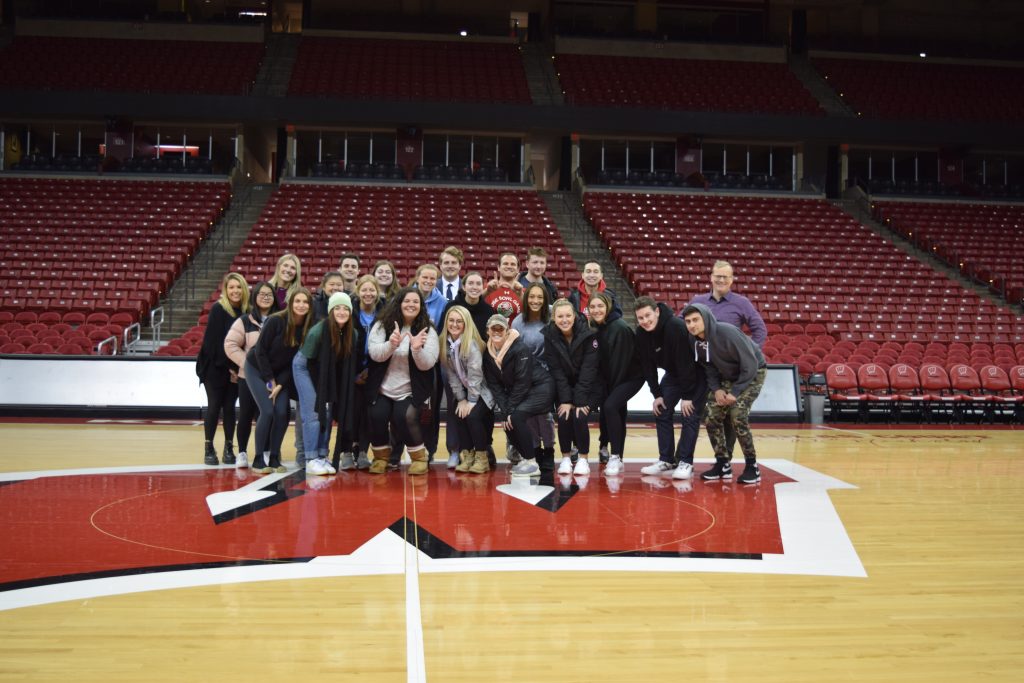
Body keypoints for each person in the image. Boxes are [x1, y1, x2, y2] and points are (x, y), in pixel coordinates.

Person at [686, 260, 768, 463]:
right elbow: (683, 324)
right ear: (711, 277)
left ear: (731, 280)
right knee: (710, 413)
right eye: (717, 275)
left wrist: (748, 352)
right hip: (709, 365)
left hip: (738, 367)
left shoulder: (741, 303)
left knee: (734, 414)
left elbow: (760, 330)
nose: (721, 279)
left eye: (725, 276)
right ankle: (712, 459)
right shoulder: (698, 301)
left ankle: (728, 457)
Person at [681, 302, 768, 485]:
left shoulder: (727, 332)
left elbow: (750, 364)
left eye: (695, 320)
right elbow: (708, 366)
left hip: (753, 373)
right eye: (688, 321)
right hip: (726, 377)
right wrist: (717, 389)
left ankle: (752, 466)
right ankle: (722, 463)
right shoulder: (693, 339)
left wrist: (735, 392)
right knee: (711, 416)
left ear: (705, 318)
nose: (691, 325)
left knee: (737, 415)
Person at [365, 286, 439, 475]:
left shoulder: (428, 329)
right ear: (399, 303)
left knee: (404, 417)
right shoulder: (382, 324)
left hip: (411, 389)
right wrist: (391, 345)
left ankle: (419, 457)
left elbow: (428, 363)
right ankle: (381, 457)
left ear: (421, 306)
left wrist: (416, 349)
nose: (411, 304)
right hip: (382, 387)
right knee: (376, 415)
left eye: (416, 301)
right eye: (407, 301)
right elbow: (374, 354)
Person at [633, 296, 707, 481]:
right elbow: (647, 367)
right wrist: (657, 394)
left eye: (648, 315)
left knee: (689, 414)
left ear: (657, 312)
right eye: (640, 318)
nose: (645, 321)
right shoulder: (641, 333)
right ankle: (666, 459)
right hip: (673, 374)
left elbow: (686, 363)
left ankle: (685, 462)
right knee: (662, 410)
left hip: (696, 373)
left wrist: (688, 395)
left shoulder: (675, 326)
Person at [293, 292, 363, 475]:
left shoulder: (352, 333)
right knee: (315, 413)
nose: (341, 311)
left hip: (326, 373)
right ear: (331, 311)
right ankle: (310, 458)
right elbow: (306, 362)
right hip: (305, 369)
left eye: (345, 308)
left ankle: (322, 456)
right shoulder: (317, 331)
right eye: (337, 308)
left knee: (328, 411)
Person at [245, 287, 313, 474]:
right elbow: (260, 351)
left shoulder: (307, 329)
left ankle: (274, 457)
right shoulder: (276, 320)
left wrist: (280, 383)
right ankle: (259, 459)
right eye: (297, 301)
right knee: (267, 411)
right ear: (290, 303)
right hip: (257, 369)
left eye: (305, 302)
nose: (301, 305)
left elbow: (294, 363)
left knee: (283, 413)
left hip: (281, 374)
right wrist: (270, 381)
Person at [481, 313, 556, 477]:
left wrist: (511, 409)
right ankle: (526, 457)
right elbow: (495, 385)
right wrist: (506, 410)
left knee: (515, 418)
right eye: (493, 328)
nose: (497, 331)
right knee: (507, 421)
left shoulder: (519, 348)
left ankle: (532, 462)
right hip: (523, 391)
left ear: (507, 331)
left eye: (501, 328)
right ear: (488, 331)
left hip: (541, 387)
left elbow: (523, 381)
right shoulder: (488, 354)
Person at [440, 270, 495, 468]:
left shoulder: (470, 344)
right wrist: (461, 399)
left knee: (471, 414)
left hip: (483, 390)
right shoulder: (446, 344)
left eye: (459, 322)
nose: (454, 324)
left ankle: (482, 457)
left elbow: (476, 375)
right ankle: (467, 454)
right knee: (458, 411)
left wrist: (470, 400)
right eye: (451, 321)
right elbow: (452, 375)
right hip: (468, 392)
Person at [223, 280, 280, 470]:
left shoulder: (280, 319)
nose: (265, 297)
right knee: (246, 414)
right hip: (247, 378)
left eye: (269, 294)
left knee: (268, 415)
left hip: (272, 378)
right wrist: (248, 365)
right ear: (255, 298)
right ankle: (243, 453)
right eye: (261, 294)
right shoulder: (245, 321)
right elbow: (230, 345)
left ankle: (264, 451)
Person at [543, 298, 600, 476]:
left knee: (579, 416)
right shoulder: (549, 335)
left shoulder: (589, 333)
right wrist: (566, 400)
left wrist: (579, 400)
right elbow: (556, 370)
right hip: (565, 387)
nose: (565, 319)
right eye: (560, 316)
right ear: (554, 318)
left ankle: (583, 458)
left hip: (589, 386)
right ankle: (566, 458)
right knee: (564, 415)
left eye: (568, 315)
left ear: (575, 316)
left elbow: (589, 369)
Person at [588, 292, 643, 476]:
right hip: (614, 377)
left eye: (600, 306)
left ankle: (616, 457)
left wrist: (609, 392)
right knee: (612, 408)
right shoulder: (598, 327)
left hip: (631, 377)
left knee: (611, 406)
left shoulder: (619, 327)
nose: (596, 310)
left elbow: (621, 364)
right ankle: (608, 448)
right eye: (593, 307)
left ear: (608, 307)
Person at [196, 272, 248, 466]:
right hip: (214, 366)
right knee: (214, 406)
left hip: (235, 367)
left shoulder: (246, 311)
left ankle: (228, 447)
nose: (235, 291)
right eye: (231, 287)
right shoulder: (218, 309)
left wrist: (236, 368)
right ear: (225, 291)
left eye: (238, 287)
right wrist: (230, 368)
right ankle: (209, 447)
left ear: (244, 289)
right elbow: (212, 344)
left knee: (229, 408)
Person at [511, 282, 556, 465]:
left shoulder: (552, 315)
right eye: (531, 296)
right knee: (529, 416)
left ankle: (550, 450)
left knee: (545, 415)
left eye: (539, 297)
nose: (535, 300)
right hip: (525, 374)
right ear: (525, 298)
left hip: (548, 374)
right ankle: (536, 449)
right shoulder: (518, 321)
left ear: (545, 299)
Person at [353, 274, 384, 469]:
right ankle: (349, 450)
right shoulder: (349, 310)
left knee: (369, 414)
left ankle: (364, 451)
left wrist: (370, 371)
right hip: (353, 371)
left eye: (372, 290)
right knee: (353, 412)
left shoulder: (383, 313)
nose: (368, 293)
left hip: (374, 370)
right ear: (358, 291)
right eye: (364, 289)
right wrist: (355, 373)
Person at [485, 252, 524, 320]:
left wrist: (521, 296)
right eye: (505, 263)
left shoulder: (523, 291)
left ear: (518, 269)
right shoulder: (487, 288)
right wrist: (486, 292)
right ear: (498, 267)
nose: (509, 266)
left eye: (513, 264)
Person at [412, 263, 446, 328]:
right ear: (417, 279)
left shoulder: (442, 302)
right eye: (425, 277)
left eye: (432, 278)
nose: (428, 281)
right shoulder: (405, 296)